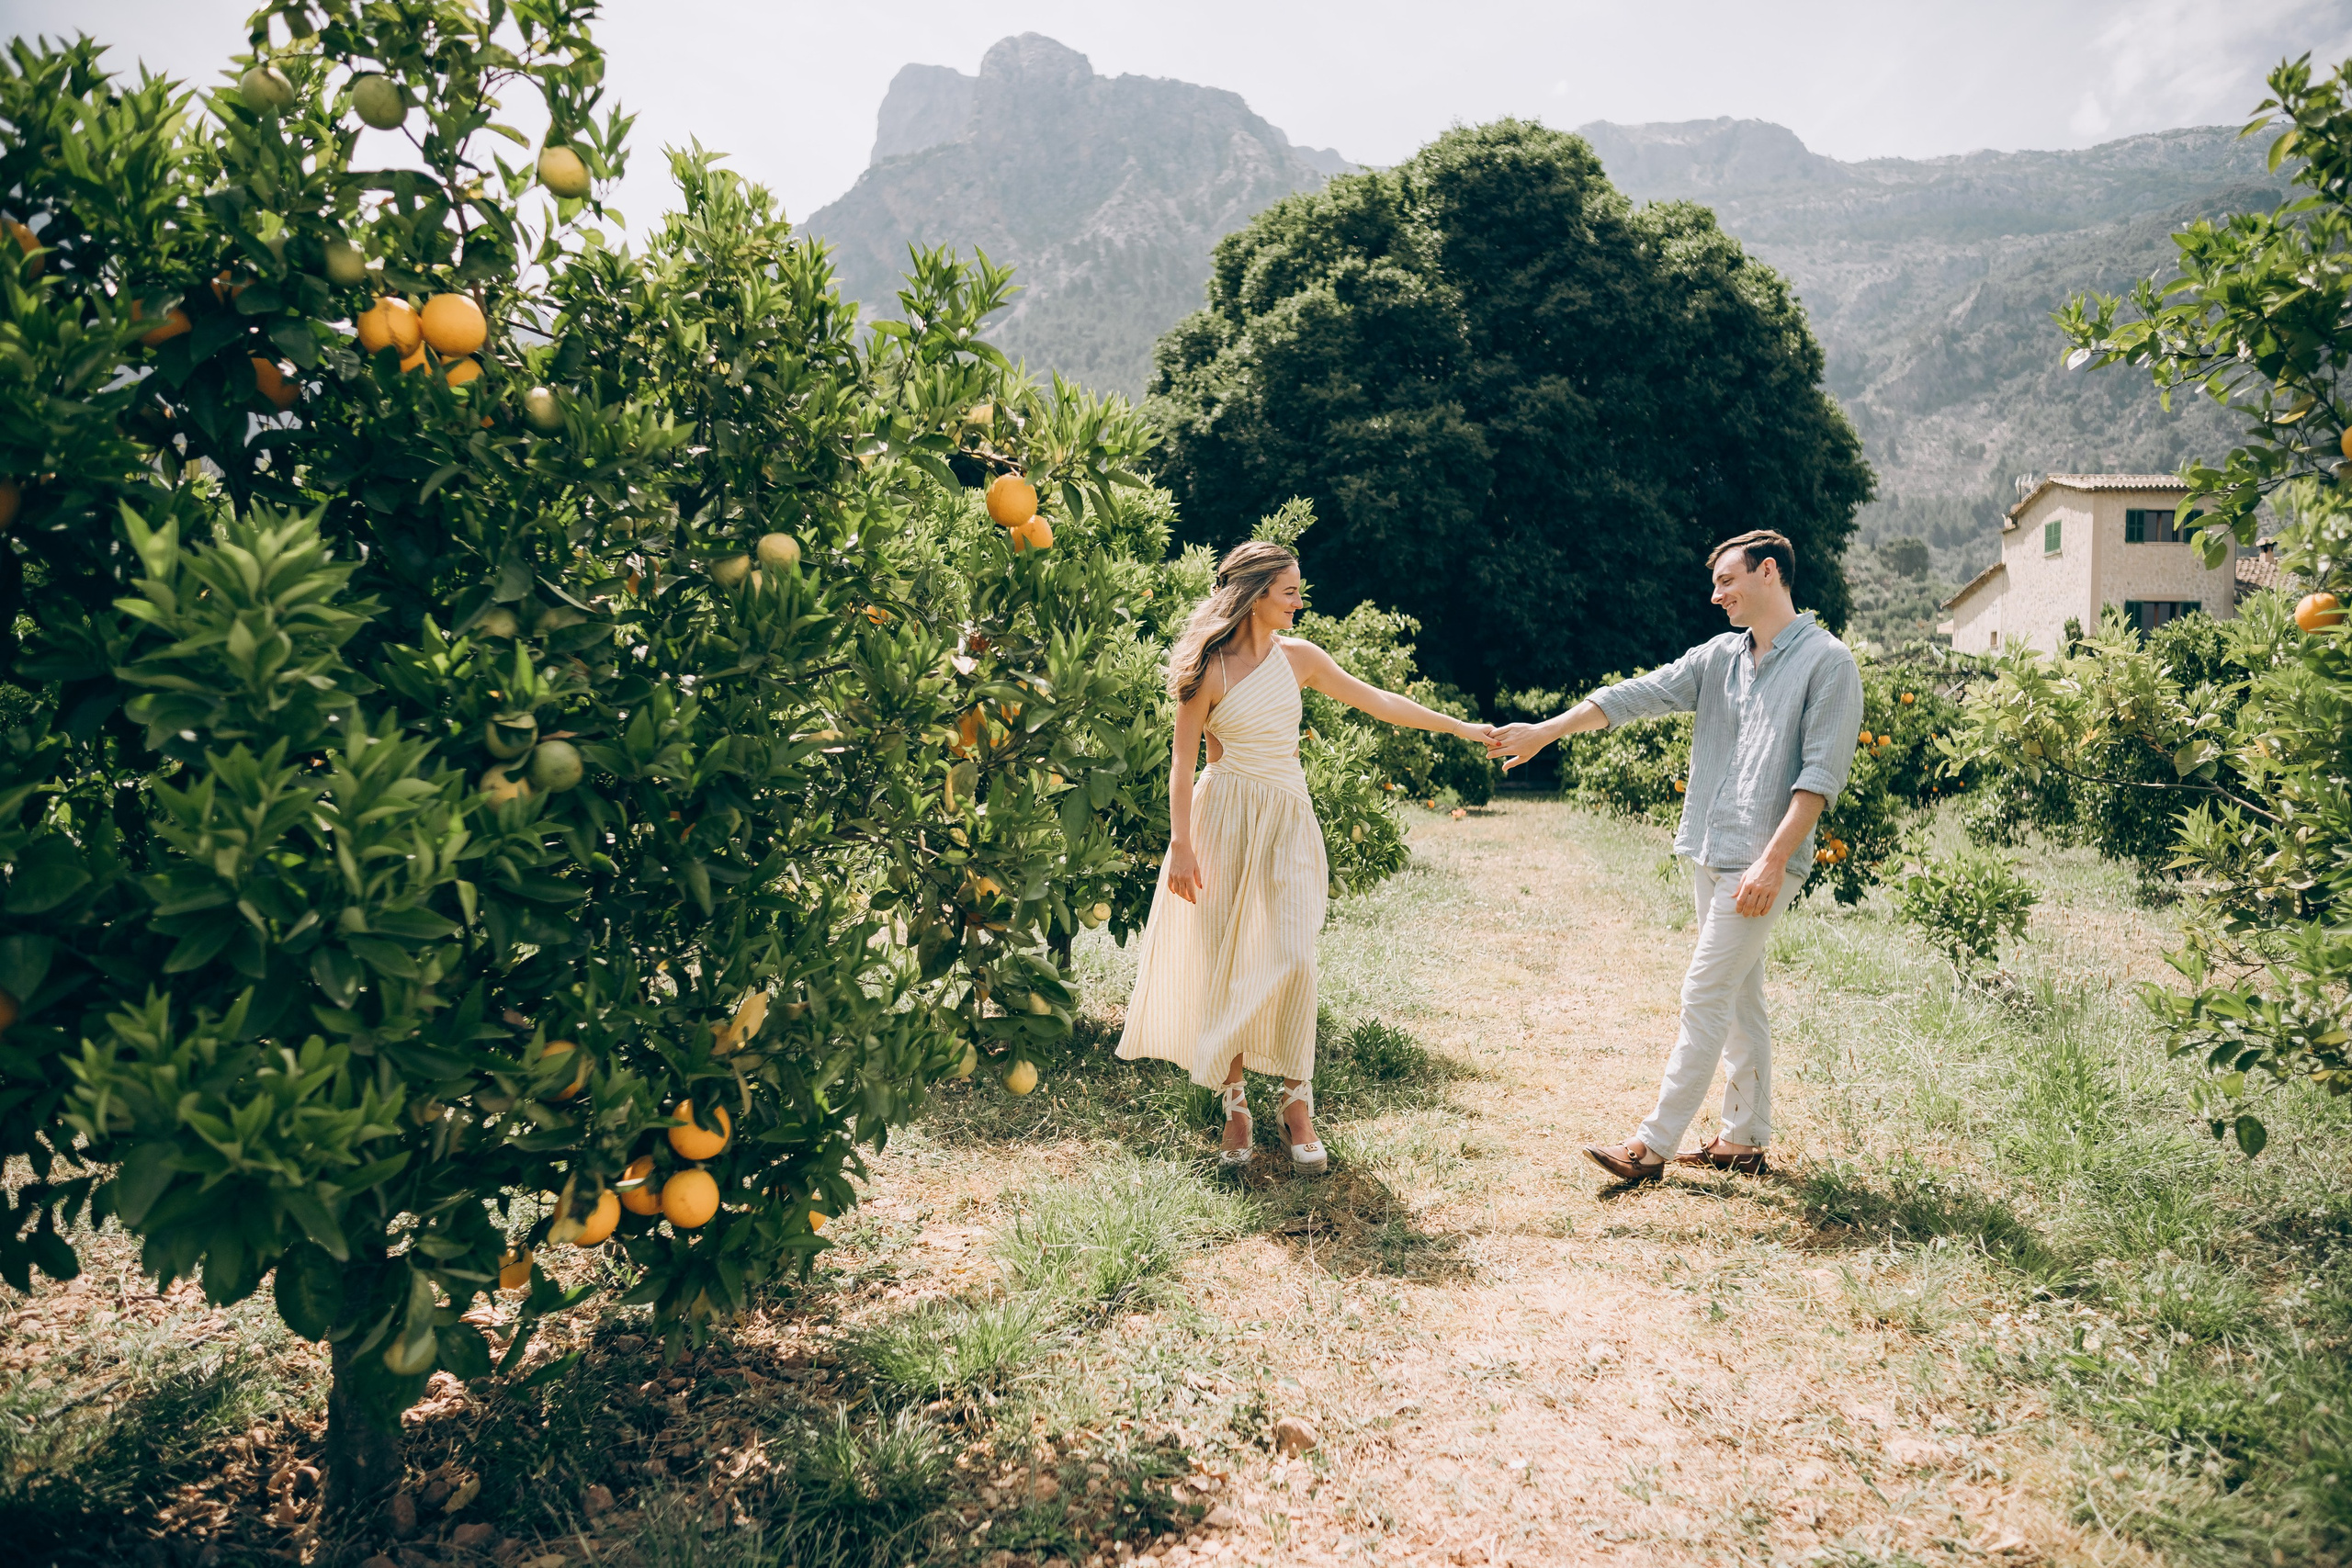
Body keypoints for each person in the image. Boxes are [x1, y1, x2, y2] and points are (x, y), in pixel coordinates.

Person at [1486, 529, 1861, 1182]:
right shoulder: (1720, 656)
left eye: (1726, 581)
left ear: (1768, 572)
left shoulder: (1829, 662)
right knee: (1739, 995)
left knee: (1704, 991)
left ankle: (1652, 1145)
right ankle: (1743, 1139)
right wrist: (1546, 731)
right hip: (1710, 849)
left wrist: (1773, 861)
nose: (1716, 596)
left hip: (1761, 860)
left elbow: (1819, 778)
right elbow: (1638, 694)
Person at [1117, 540, 1492, 1172]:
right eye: (1290, 591)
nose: (1299, 601)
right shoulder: (1207, 667)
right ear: (1255, 594)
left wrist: (1459, 728)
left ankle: (1297, 1104)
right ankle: (1236, 1109)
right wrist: (1181, 844)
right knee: (1225, 961)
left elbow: (1379, 700)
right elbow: (1182, 765)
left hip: (1288, 819)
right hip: (1222, 820)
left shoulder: (1300, 659)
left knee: (1293, 956)